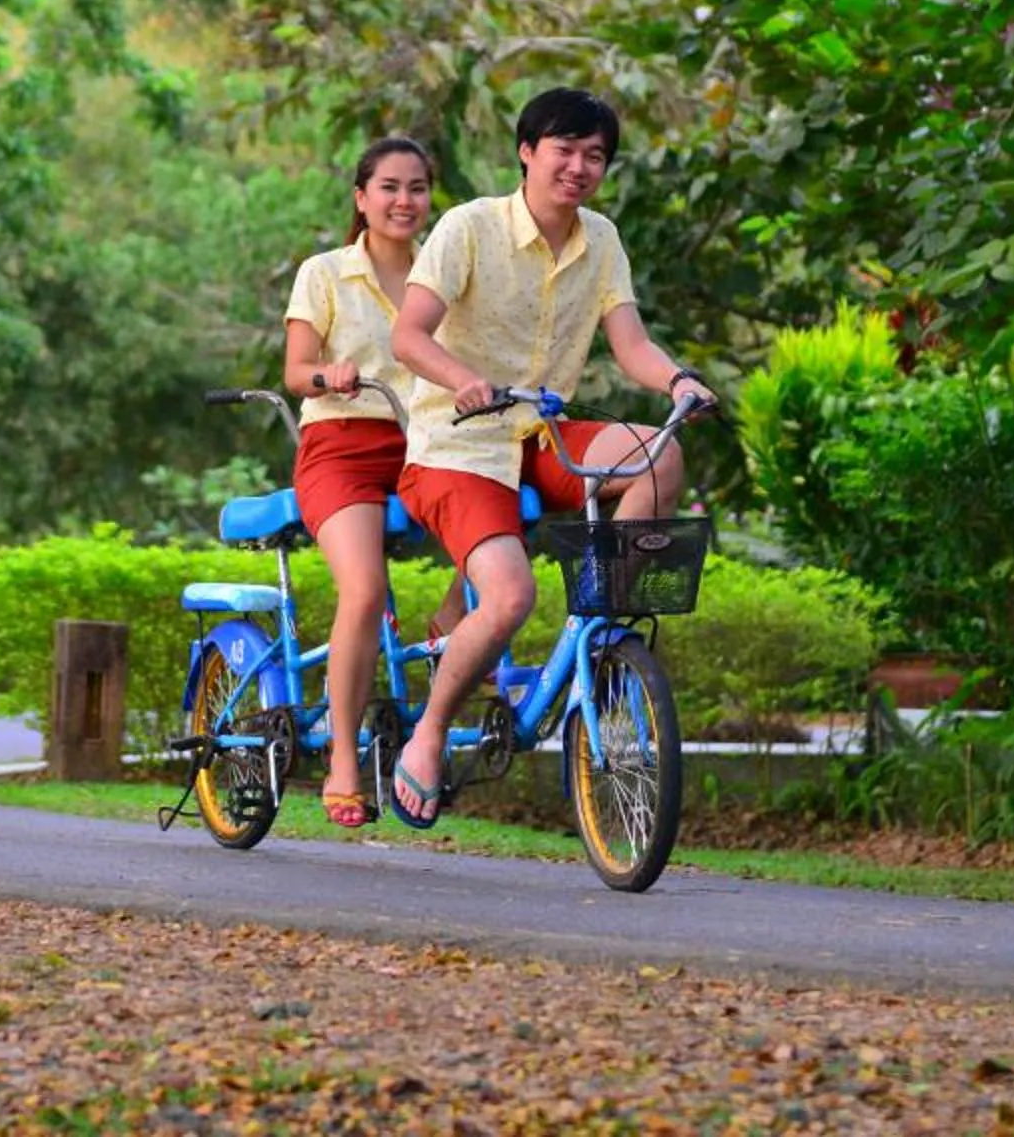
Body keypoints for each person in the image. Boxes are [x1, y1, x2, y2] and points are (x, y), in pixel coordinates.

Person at [382, 87, 713, 829]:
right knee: (509, 597)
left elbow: (630, 344)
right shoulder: (470, 227)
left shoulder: (602, 239)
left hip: (543, 436)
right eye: (564, 149)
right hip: (458, 445)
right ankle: (429, 734)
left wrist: (679, 381)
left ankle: (599, 623)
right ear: (528, 151)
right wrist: (463, 379)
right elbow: (409, 335)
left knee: (658, 455)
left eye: (595, 155)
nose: (579, 166)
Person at [280, 134, 435, 829]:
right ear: (362, 198)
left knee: (506, 535)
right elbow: (294, 370)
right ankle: (344, 759)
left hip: (425, 444)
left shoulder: (444, 271)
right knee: (365, 589)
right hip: (341, 445)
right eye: (390, 187)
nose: (405, 201)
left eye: (418, 188)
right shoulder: (325, 272)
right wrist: (328, 375)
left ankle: (447, 638)